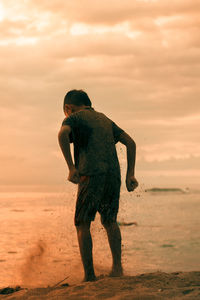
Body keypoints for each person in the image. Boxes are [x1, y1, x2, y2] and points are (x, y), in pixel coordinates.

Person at [58, 89, 138, 282]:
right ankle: (117, 269)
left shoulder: (74, 118)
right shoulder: (105, 119)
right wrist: (130, 174)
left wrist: (71, 167)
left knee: (82, 223)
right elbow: (131, 143)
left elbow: (62, 135)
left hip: (91, 174)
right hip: (112, 176)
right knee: (110, 221)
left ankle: (89, 275)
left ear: (68, 108)